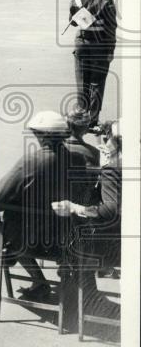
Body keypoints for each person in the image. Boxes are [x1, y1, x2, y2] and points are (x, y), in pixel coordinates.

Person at [0, 111, 85, 303]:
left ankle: (23, 265)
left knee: (2, 218)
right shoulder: (78, 160)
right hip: (65, 238)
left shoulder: (32, 160)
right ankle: (63, 281)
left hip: (31, 239)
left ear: (41, 135)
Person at [53, 120, 121, 321]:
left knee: (73, 235)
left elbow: (110, 210)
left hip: (113, 248)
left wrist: (76, 208)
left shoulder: (113, 170)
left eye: (107, 138)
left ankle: (87, 298)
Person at [69, 0, 117, 126]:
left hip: (82, 43)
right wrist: (111, 50)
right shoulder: (107, 1)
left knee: (82, 81)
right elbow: (111, 28)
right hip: (100, 45)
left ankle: (81, 117)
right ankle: (93, 119)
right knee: (97, 83)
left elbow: (73, 23)